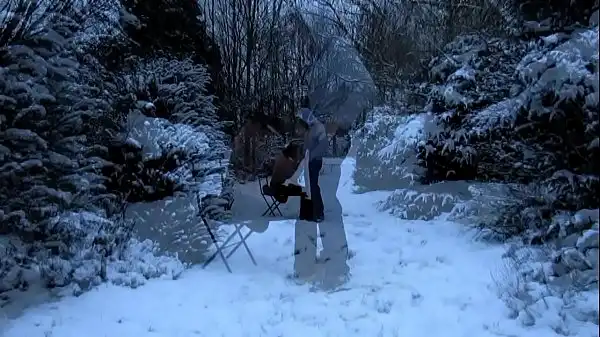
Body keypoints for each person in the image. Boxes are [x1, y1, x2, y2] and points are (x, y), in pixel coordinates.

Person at [293, 105, 350, 290]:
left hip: (325, 164)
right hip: (322, 165)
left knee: (325, 211)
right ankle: (321, 264)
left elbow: (336, 143)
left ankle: (333, 266)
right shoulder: (317, 125)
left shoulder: (324, 125)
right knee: (321, 210)